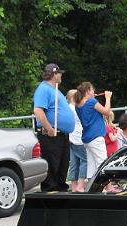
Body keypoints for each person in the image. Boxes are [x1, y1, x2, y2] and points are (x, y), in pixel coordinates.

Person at [33, 63, 74, 191]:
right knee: (52, 165)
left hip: (61, 135)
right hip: (51, 134)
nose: (61, 75)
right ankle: (50, 194)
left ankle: (61, 190)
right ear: (54, 74)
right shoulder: (43, 89)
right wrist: (49, 128)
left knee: (62, 165)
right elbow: (38, 110)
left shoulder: (55, 90)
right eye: (59, 73)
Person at [74, 82, 113, 179]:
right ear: (88, 91)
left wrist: (92, 97)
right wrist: (108, 98)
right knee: (103, 162)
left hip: (87, 138)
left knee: (91, 165)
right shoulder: (91, 102)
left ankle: (92, 188)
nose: (94, 91)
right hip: (96, 136)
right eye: (92, 90)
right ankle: (107, 186)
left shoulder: (78, 105)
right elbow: (107, 112)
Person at [66, 89, 87, 192]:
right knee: (85, 160)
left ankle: (74, 186)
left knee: (74, 162)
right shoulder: (75, 108)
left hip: (71, 137)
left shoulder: (68, 108)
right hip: (78, 137)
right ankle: (81, 184)